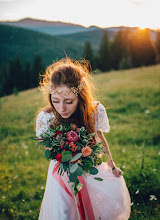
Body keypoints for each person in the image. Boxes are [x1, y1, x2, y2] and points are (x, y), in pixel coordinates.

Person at [35, 58, 131, 220]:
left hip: (89, 165)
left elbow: (99, 138)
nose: (62, 108)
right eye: (55, 101)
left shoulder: (93, 111)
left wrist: (112, 166)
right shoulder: (47, 116)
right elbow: (47, 146)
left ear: (80, 97)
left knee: (93, 204)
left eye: (69, 101)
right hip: (62, 170)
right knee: (64, 210)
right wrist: (63, 150)